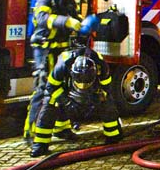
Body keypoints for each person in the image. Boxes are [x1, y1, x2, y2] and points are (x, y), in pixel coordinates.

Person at [31, 15, 122, 157]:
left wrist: (98, 97)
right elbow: (51, 89)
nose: (83, 85)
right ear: (72, 73)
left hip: (91, 94)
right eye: (80, 82)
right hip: (67, 92)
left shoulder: (100, 64)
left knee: (107, 103)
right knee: (49, 103)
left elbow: (107, 89)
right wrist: (65, 101)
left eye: (87, 82)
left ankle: (113, 135)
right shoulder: (63, 64)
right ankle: (40, 145)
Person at [24, 0, 83, 143]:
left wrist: (84, 24)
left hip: (61, 51)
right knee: (43, 90)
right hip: (45, 50)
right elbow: (43, 19)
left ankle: (61, 128)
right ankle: (32, 131)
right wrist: (66, 21)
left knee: (63, 88)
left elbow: (75, 17)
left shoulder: (69, 1)